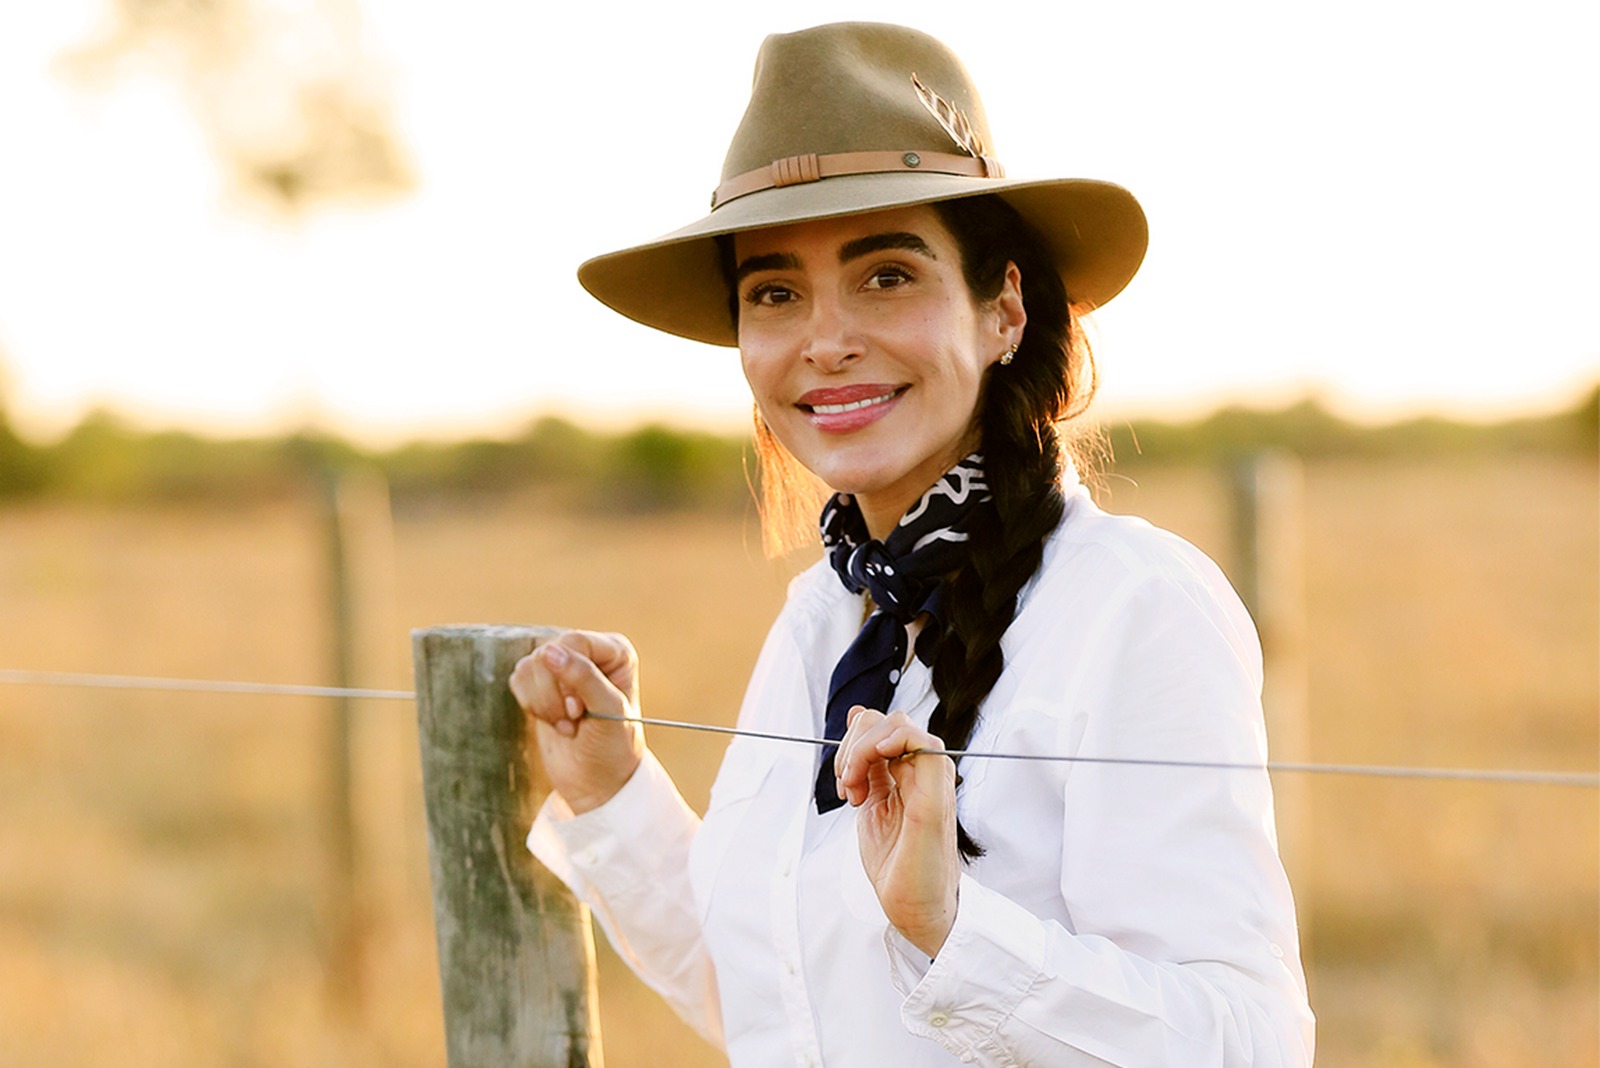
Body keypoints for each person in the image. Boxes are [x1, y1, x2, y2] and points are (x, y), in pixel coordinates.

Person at [511, 21, 1314, 1067]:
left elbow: (1246, 1046)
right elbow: (776, 1008)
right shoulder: (822, 620)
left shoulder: (1133, 606)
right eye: (774, 292)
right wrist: (615, 793)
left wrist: (950, 929)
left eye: (885, 275)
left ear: (1003, 310)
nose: (825, 338)